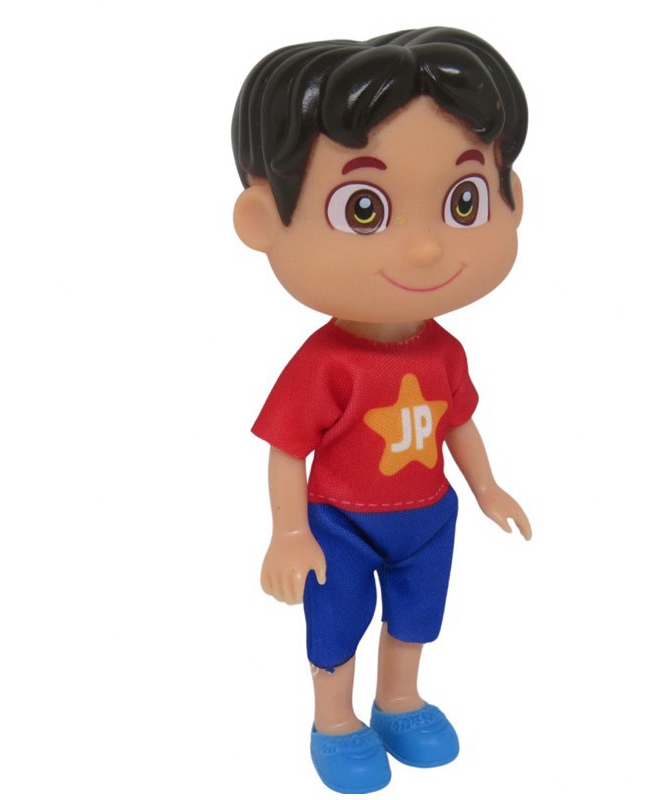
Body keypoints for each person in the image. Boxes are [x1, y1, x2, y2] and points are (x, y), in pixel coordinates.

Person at [231, 27, 532, 794]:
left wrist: (487, 487)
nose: (425, 249)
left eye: (464, 200)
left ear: (513, 198)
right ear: (262, 221)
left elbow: (457, 420)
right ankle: (333, 719)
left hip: (428, 516)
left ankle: (399, 700)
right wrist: (289, 531)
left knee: (415, 617)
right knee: (336, 625)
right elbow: (287, 447)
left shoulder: (443, 350)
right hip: (340, 522)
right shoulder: (326, 362)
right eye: (364, 209)